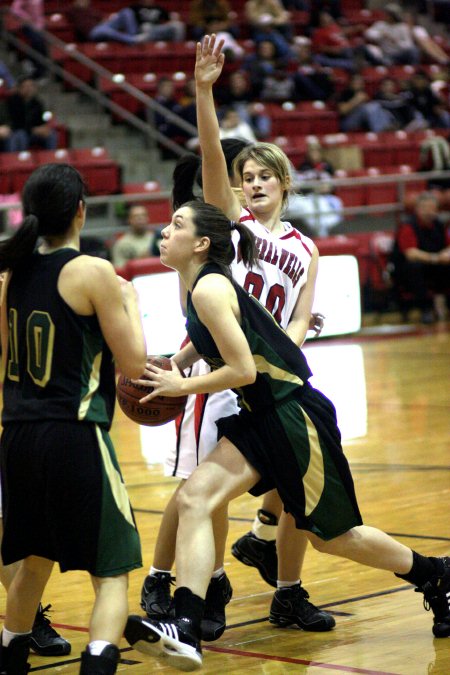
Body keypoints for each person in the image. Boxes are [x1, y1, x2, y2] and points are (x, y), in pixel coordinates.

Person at [123, 198, 450, 670]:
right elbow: (215, 340)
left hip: (294, 415)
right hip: (262, 415)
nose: (164, 231)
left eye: (176, 225)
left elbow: (241, 369)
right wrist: (177, 363)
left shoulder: (209, 289)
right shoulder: (204, 286)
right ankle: (187, 628)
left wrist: (182, 384)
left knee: (336, 538)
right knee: (195, 499)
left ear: (200, 243)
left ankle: (435, 574)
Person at [139, 34, 334, 646]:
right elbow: (211, 162)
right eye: (244, 177)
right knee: (207, 495)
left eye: (261, 177)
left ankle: (282, 582)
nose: (250, 185)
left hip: (272, 373)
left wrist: (291, 355)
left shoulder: (306, 248)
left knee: (296, 484)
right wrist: (204, 93)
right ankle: (207, 583)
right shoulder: (237, 231)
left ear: (283, 183)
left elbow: (302, 320)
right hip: (224, 373)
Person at [0, 163, 147, 675]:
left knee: (34, 564)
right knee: (113, 572)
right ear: (81, 210)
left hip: (17, 435)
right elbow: (133, 367)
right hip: (73, 432)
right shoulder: (92, 272)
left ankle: (9, 659)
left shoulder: (11, 275)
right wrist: (130, 301)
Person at [391, 191, 450, 323]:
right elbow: (411, 253)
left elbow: (448, 245)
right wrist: (435, 258)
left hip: (434, 264)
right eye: (425, 208)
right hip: (408, 269)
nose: (429, 212)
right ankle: (426, 309)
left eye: (432, 208)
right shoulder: (408, 226)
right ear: (418, 209)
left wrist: (446, 254)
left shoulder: (439, 225)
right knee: (414, 268)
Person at [89, 0, 185, 45]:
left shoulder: (159, 8)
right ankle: (133, 39)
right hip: (143, 30)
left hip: (157, 29)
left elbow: (169, 19)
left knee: (178, 25)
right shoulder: (134, 8)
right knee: (146, 27)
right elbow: (129, 22)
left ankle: (177, 48)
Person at [4, 75, 57, 151]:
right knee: (21, 135)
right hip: (17, 132)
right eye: (26, 86)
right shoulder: (12, 102)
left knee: (51, 134)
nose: (29, 89)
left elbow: (41, 120)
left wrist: (43, 128)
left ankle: (50, 159)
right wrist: (33, 129)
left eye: (31, 86)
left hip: (33, 133)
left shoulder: (37, 103)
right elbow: (14, 123)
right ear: (19, 88)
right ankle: (18, 160)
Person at [10, 0, 48, 80]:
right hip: (28, 25)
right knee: (38, 42)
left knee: (44, 45)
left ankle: (40, 69)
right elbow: (14, 9)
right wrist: (26, 17)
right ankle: (36, 68)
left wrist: (41, 24)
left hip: (40, 25)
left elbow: (40, 11)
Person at [111, 204, 155, 268]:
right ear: (129, 220)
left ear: (148, 218)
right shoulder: (122, 244)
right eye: (136, 216)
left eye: (143, 215)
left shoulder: (157, 239)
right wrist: (140, 261)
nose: (140, 218)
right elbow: (120, 269)